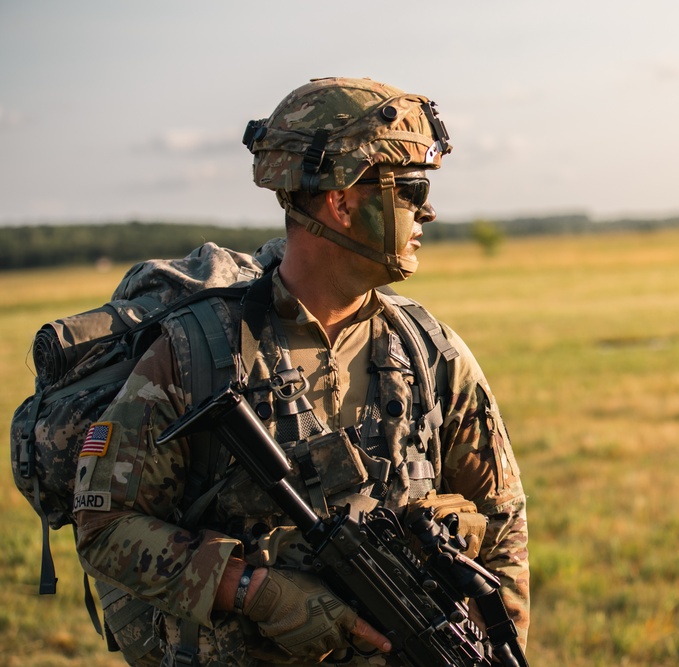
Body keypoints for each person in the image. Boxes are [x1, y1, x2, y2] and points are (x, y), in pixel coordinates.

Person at [72, 77, 529, 666]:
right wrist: (256, 592)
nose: (428, 211)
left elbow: (502, 521)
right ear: (339, 200)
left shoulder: (430, 352)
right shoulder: (199, 354)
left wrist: (503, 645)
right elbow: (105, 526)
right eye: (410, 189)